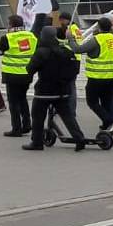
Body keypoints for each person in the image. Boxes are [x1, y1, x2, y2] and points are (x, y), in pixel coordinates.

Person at [25, 25, 88, 153]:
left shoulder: (41, 52)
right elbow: (74, 70)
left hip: (44, 91)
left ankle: (37, 142)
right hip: (62, 90)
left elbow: (29, 69)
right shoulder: (66, 51)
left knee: (37, 116)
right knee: (68, 116)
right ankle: (79, 138)